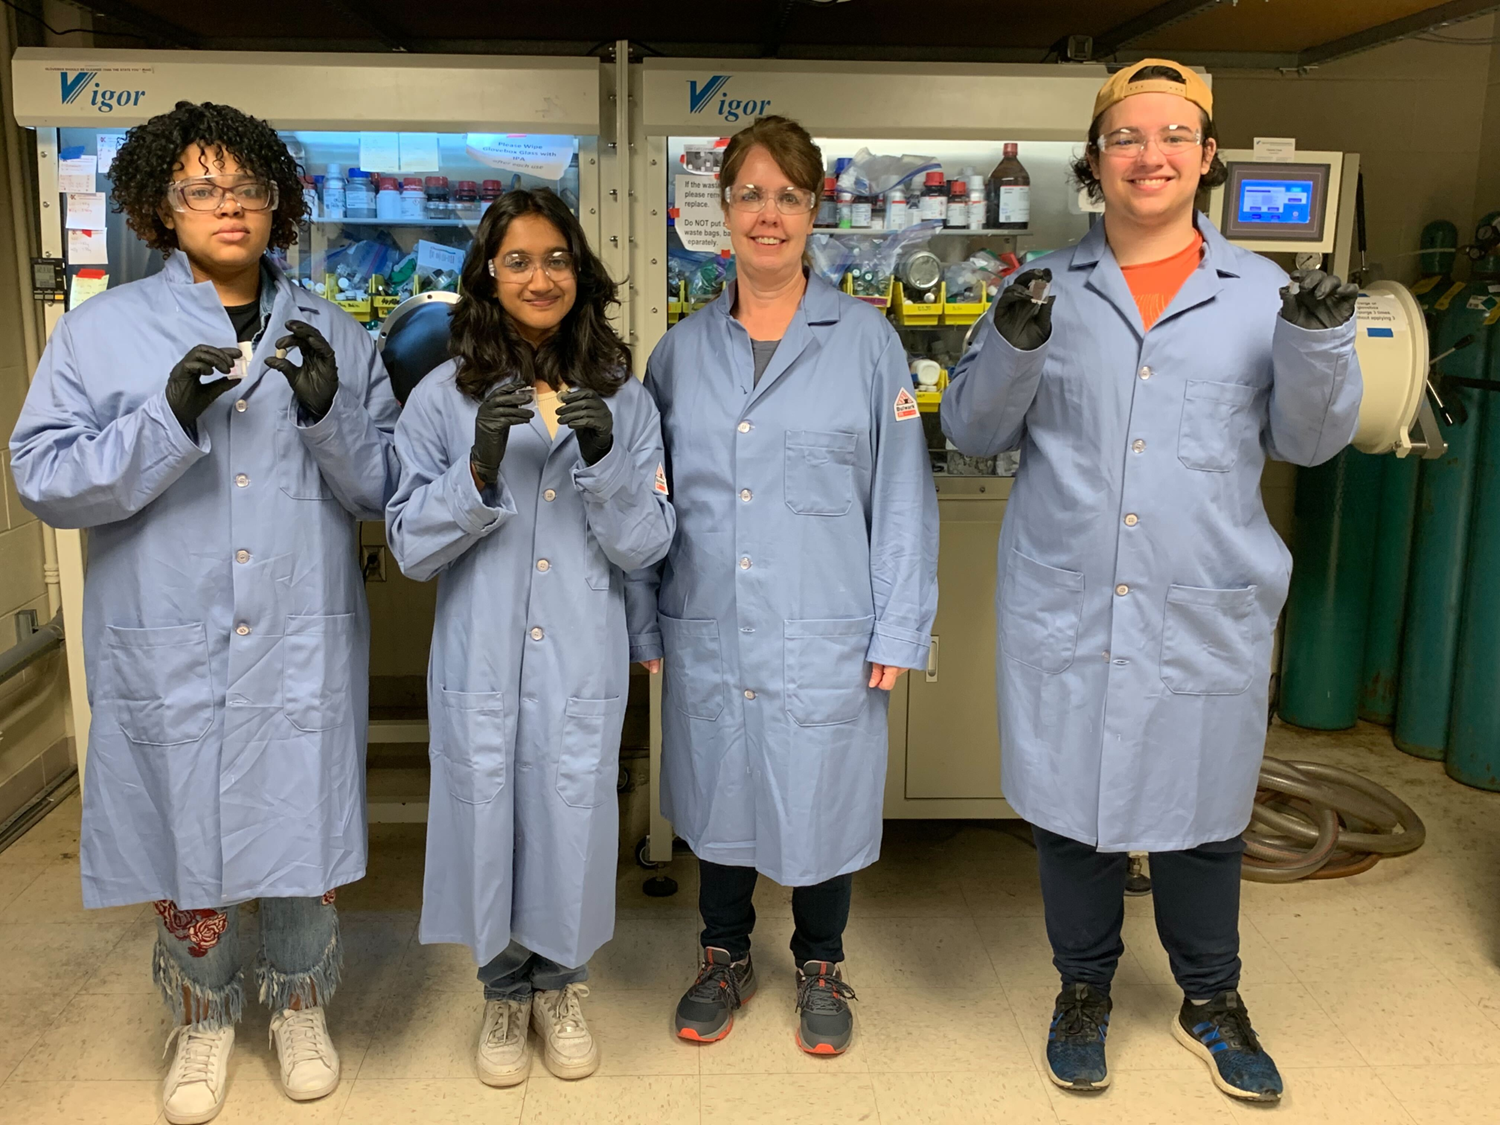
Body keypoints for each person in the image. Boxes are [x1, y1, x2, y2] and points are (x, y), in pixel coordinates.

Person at [941, 60, 1362, 1102]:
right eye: (1128, 136)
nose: (1151, 155)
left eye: (1175, 136)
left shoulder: (1263, 292)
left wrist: (1319, 344)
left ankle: (1210, 999)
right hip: (1072, 595)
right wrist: (1009, 345)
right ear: (1096, 159)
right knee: (1072, 812)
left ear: (1207, 157)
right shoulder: (1039, 287)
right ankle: (1082, 988)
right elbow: (973, 431)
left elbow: (1309, 444)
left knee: (1206, 813)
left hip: (1204, 596)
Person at [8, 102, 399, 1123]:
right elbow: (44, 476)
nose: (227, 206)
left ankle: (302, 1003)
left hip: (296, 636)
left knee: (298, 821)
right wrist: (162, 421)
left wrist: (327, 413)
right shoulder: (99, 336)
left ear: (278, 202)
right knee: (183, 825)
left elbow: (386, 482)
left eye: (247, 188)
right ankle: (205, 1015)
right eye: (200, 188)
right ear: (157, 207)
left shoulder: (331, 329)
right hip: (167, 635)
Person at [628, 116, 939, 1056]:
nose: (770, 215)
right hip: (712, 624)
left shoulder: (867, 342)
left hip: (827, 630)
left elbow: (902, 497)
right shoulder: (678, 355)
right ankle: (722, 953)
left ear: (815, 212)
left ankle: (820, 960)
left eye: (790, 197)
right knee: (720, 794)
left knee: (822, 796)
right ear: (721, 208)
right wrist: (645, 623)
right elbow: (649, 507)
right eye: (752, 194)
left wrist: (898, 629)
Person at [385, 188, 674, 1086]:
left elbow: (649, 542)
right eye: (517, 260)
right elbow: (407, 547)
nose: (538, 276)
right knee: (488, 813)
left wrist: (608, 469)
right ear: (487, 275)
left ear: (579, 272)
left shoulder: (624, 396)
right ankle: (504, 992)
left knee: (573, 814)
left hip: (581, 653)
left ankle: (563, 983)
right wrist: (474, 468)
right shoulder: (439, 397)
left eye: (555, 258)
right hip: (480, 652)